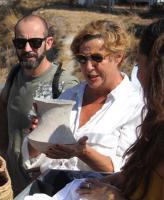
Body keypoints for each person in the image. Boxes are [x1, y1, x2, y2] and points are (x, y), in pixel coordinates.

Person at [24, 20, 144, 176]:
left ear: (118, 57)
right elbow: (35, 159)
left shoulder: (134, 105)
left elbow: (127, 170)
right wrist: (37, 137)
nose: (88, 67)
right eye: (82, 59)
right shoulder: (70, 95)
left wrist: (83, 153)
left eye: (97, 58)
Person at [77, 19, 164, 200]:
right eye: (82, 59)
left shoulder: (137, 105)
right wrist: (122, 179)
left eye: (139, 65)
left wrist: (112, 196)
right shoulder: (156, 123)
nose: (138, 76)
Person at [0, 14, 79, 194]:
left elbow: (73, 143)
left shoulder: (65, 85)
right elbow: (2, 105)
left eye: (35, 42)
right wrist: (3, 151)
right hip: (11, 183)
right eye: (20, 43)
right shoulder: (15, 73)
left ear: (48, 43)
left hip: (42, 188)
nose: (27, 49)